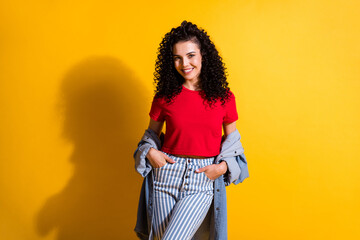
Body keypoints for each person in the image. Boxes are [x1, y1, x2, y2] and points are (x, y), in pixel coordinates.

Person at [134, 20, 248, 240]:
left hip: (201, 177)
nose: (184, 63)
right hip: (166, 174)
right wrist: (150, 153)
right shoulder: (164, 97)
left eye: (190, 55)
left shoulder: (224, 98)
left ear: (203, 55)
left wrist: (222, 168)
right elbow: (150, 136)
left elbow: (233, 144)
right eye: (177, 57)